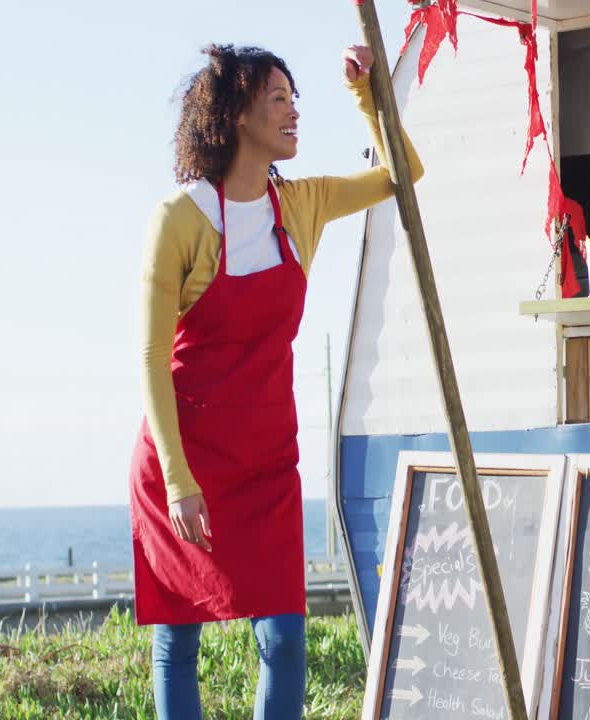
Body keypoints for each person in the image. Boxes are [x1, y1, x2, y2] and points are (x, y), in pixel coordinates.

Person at [128, 42, 423, 720]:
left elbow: (406, 172)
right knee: (178, 639)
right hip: (186, 456)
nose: (295, 114)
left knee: (284, 638)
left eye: (296, 99)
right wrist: (179, 481)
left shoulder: (304, 205)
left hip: (266, 461)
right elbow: (149, 357)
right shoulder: (178, 220)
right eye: (279, 101)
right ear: (236, 117)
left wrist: (368, 96)